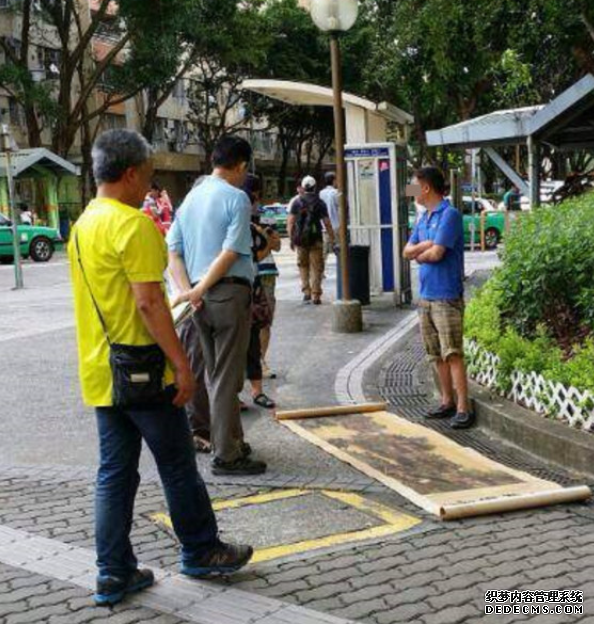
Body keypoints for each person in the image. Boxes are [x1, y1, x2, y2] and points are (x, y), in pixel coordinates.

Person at [68, 129, 253, 607]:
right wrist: (181, 367)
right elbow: (150, 304)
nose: (149, 189)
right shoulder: (132, 226)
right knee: (176, 465)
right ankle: (201, 549)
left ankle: (113, 572)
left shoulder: (83, 224)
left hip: (102, 371)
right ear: (129, 174)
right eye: (148, 178)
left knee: (114, 473)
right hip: (144, 371)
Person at [167, 136, 267, 476]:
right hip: (226, 295)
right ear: (240, 165)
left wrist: (188, 290)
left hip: (199, 300)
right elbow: (230, 252)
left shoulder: (190, 199)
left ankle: (233, 441)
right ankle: (227, 455)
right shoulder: (235, 198)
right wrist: (202, 288)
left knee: (215, 374)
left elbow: (173, 251)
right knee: (227, 378)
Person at [403, 166, 474, 430]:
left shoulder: (450, 215)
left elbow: (437, 255)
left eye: (413, 185)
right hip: (426, 296)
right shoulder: (424, 218)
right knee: (436, 354)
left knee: (453, 353)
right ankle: (446, 402)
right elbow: (406, 251)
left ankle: (463, 408)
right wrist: (425, 246)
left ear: (425, 188)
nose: (410, 190)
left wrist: (421, 252)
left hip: (446, 296)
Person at [243, 173, 277, 409]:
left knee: (256, 332)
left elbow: (272, 246)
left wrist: (266, 237)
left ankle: (257, 388)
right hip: (240, 284)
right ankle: (238, 394)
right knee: (238, 341)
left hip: (255, 281)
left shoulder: (257, 218)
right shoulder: (239, 219)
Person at [288, 175, 335, 305]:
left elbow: (290, 223)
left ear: (303, 187)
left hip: (301, 240)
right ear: (315, 187)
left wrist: (292, 239)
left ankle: (306, 292)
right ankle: (316, 295)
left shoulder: (296, 202)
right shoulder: (320, 203)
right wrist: (332, 238)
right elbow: (327, 223)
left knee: (303, 265)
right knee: (316, 267)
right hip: (316, 239)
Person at [319, 172, 339, 258]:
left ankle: (320, 271)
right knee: (339, 251)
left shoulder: (321, 193)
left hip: (324, 227)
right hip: (336, 226)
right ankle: (341, 270)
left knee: (323, 254)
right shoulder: (336, 192)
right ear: (333, 180)